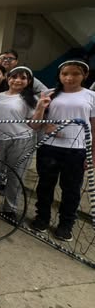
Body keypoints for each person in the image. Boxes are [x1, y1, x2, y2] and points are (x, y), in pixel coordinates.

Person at [30, 60, 95, 241]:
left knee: (71, 189)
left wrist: (92, 154)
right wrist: (44, 119)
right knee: (45, 185)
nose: (69, 78)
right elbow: (35, 124)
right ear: (59, 75)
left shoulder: (91, 96)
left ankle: (66, 225)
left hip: (77, 150)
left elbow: (94, 128)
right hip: (49, 148)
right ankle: (42, 218)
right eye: (65, 74)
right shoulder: (49, 94)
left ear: (84, 75)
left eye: (75, 74)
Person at [0, 66, 37, 219]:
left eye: (23, 78)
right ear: (8, 78)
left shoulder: (31, 100)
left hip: (21, 141)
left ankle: (10, 208)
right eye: (14, 77)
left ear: (29, 81)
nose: (18, 80)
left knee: (16, 175)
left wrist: (42, 107)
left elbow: (34, 124)